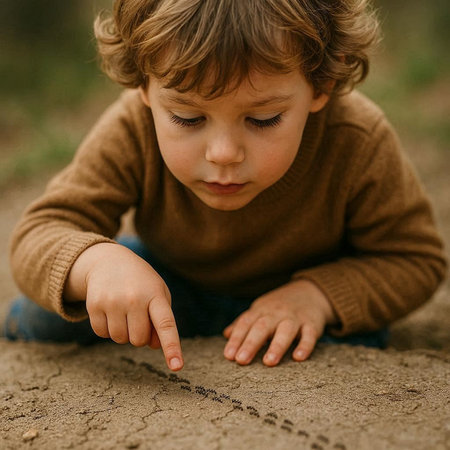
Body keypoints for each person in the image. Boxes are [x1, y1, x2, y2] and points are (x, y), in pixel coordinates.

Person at [4, 0, 447, 372]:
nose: (223, 153)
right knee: (55, 309)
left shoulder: (356, 138)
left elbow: (415, 259)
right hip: (171, 287)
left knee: (356, 339)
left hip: (298, 299)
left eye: (262, 119)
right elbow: (40, 232)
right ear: (144, 86)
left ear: (320, 86)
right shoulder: (131, 128)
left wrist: (320, 296)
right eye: (188, 119)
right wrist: (95, 264)